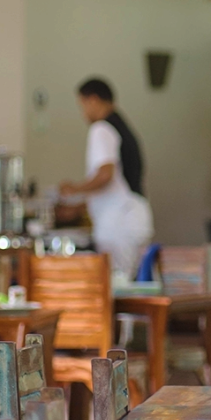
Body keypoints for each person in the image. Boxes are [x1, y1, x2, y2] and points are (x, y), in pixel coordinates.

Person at [59, 78, 153, 278]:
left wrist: (74, 190)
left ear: (93, 100)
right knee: (129, 281)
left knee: (117, 285)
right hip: (133, 214)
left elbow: (106, 175)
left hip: (119, 223)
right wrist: (79, 207)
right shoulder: (121, 126)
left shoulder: (101, 129)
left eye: (82, 105)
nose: (82, 113)